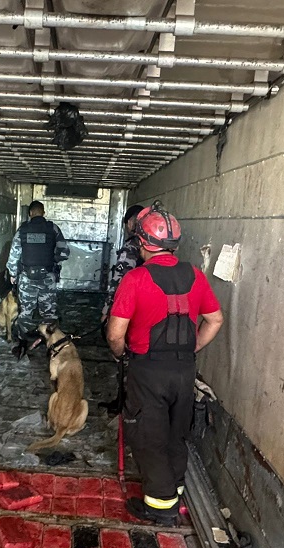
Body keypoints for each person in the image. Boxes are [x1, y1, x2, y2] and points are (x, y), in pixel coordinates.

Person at [106, 201, 224, 526]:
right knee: (176, 433)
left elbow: (116, 333)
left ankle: (160, 508)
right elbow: (215, 320)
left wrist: (119, 353)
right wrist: (191, 347)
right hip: (185, 370)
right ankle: (175, 490)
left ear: (144, 242)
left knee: (149, 437)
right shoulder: (196, 276)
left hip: (148, 371)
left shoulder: (135, 279)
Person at [6, 200, 70, 358]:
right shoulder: (52, 228)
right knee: (49, 314)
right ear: (44, 213)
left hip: (27, 278)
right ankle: (51, 347)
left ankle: (22, 346)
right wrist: (51, 261)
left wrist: (13, 274)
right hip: (47, 278)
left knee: (25, 313)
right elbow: (64, 252)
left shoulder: (23, 229)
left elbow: (13, 255)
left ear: (30, 214)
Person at [101, 204, 145, 323]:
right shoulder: (150, 244)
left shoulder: (131, 246)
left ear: (130, 222)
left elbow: (119, 279)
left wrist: (107, 310)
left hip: (131, 302)